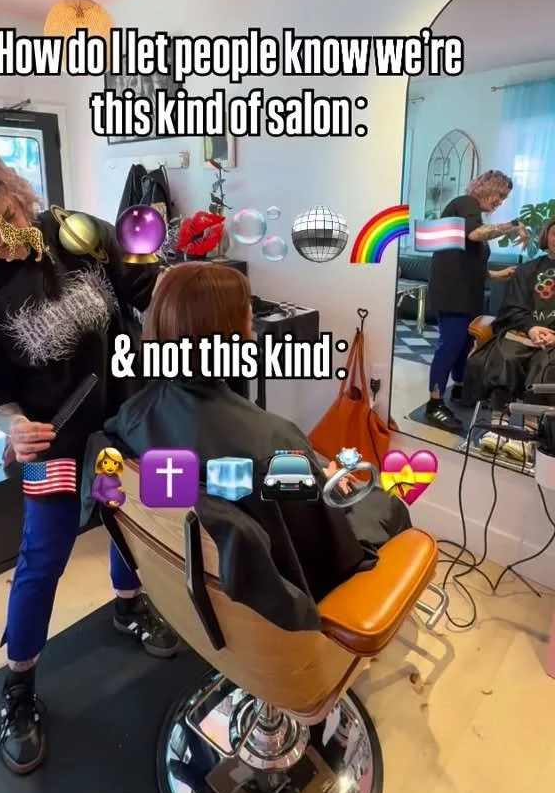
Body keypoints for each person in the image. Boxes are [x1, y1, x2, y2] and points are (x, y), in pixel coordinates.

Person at [0, 146, 179, 777]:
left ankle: (127, 604)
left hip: (121, 418)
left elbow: (148, 286)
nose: (4, 238)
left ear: (16, 193)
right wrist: (13, 424)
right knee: (42, 555)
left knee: (127, 517)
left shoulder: (77, 235)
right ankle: (20, 684)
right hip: (51, 443)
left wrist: (187, 285)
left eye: (7, 216)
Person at [101, 262, 411, 607]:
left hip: (195, 582)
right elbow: (329, 551)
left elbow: (215, 478)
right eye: (247, 314)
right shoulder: (275, 444)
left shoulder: (132, 417)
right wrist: (317, 480)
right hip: (282, 594)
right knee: (387, 506)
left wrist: (308, 475)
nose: (252, 323)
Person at [425, 169, 527, 432]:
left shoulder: (472, 215)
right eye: (499, 195)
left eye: (504, 199)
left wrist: (498, 275)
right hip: (453, 293)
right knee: (451, 345)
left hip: (468, 293)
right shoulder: (465, 203)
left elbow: (469, 265)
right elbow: (475, 235)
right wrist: (513, 225)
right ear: (487, 187)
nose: (499, 202)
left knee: (464, 345)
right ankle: (434, 404)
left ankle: (460, 389)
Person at [464, 216, 555, 460]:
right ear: (547, 236)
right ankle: (498, 426)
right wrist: (532, 328)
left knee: (545, 364)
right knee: (505, 355)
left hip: (553, 343)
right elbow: (512, 308)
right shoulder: (527, 271)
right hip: (523, 332)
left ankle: (529, 434)